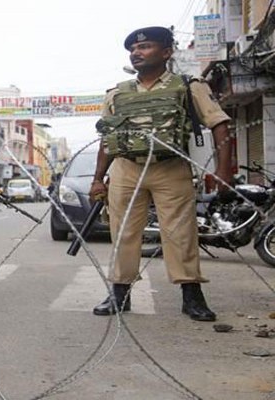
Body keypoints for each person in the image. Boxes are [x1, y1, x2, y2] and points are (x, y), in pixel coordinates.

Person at [89, 27, 233, 322]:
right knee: (123, 231)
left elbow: (219, 123)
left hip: (171, 169)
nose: (137, 52)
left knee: (180, 232)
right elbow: (107, 139)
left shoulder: (188, 86)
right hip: (127, 169)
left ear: (167, 52)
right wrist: (97, 178)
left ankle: (192, 296)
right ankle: (119, 293)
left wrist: (222, 170)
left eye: (146, 47)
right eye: (133, 49)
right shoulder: (117, 93)